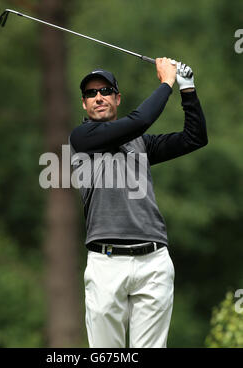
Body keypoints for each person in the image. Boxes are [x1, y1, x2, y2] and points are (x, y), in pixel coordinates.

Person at [69, 58, 208, 348]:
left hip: (153, 262)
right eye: (91, 93)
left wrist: (188, 89)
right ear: (84, 104)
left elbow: (194, 138)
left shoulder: (141, 144)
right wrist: (166, 83)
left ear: (117, 99)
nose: (98, 97)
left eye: (106, 90)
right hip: (105, 263)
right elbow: (140, 120)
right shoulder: (81, 139)